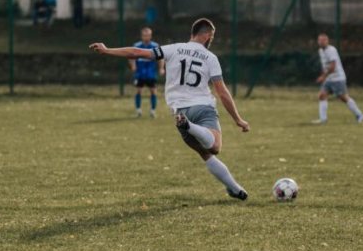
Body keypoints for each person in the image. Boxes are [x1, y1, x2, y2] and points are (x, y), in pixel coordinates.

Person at [90, 18, 250, 200]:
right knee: (214, 146)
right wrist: (238, 119)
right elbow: (222, 92)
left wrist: (107, 50)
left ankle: (235, 189)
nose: (211, 39)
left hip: (180, 111)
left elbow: (136, 52)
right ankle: (189, 126)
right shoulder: (210, 58)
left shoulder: (173, 49)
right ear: (207, 35)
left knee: (205, 154)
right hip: (202, 107)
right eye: (211, 36)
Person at [314, 33, 363, 124]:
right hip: (329, 79)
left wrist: (322, 76)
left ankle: (359, 114)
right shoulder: (320, 51)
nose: (321, 42)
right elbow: (325, 66)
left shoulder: (332, 50)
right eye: (319, 40)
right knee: (322, 95)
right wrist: (324, 76)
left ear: (327, 41)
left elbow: (332, 67)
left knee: (343, 97)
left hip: (338, 78)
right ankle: (323, 119)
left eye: (323, 40)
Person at [129, 27, 165, 118]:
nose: (146, 37)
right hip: (140, 73)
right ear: (142, 36)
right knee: (138, 91)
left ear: (151, 36)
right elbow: (131, 56)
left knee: (153, 91)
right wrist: (133, 65)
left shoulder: (155, 46)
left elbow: (160, 58)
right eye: (145, 35)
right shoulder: (137, 46)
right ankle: (138, 111)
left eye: (148, 35)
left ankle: (153, 111)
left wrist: (161, 68)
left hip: (151, 74)